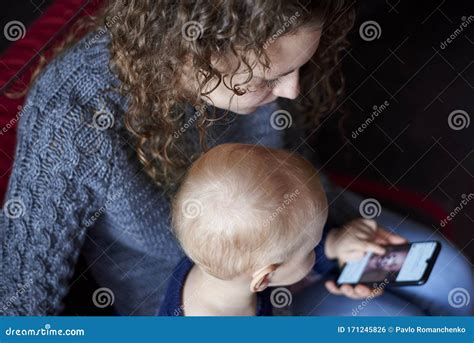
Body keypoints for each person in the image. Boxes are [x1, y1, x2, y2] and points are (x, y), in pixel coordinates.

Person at [1, 0, 471, 316]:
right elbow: (18, 296)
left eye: (298, 67)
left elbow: (292, 176)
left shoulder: (265, 53)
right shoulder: (74, 114)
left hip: (306, 240)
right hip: (204, 304)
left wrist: (337, 242)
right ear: (197, 54)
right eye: (272, 77)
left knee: (454, 278)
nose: (292, 91)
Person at [159, 143, 329, 316]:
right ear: (263, 279)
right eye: (311, 250)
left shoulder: (216, 263)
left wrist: (333, 246)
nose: (316, 252)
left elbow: (289, 256)